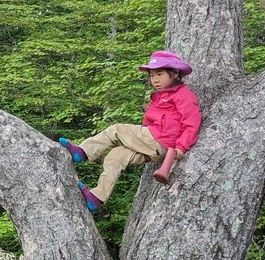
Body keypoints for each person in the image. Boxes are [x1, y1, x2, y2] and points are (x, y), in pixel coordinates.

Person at [59, 50, 201, 211]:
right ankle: (97, 198)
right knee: (115, 156)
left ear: (175, 73)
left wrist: (182, 146)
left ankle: (82, 152)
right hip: (152, 144)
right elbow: (148, 122)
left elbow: (191, 123)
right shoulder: (158, 97)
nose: (155, 80)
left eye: (159, 74)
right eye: (152, 75)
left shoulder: (184, 95)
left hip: (160, 140)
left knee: (117, 129)